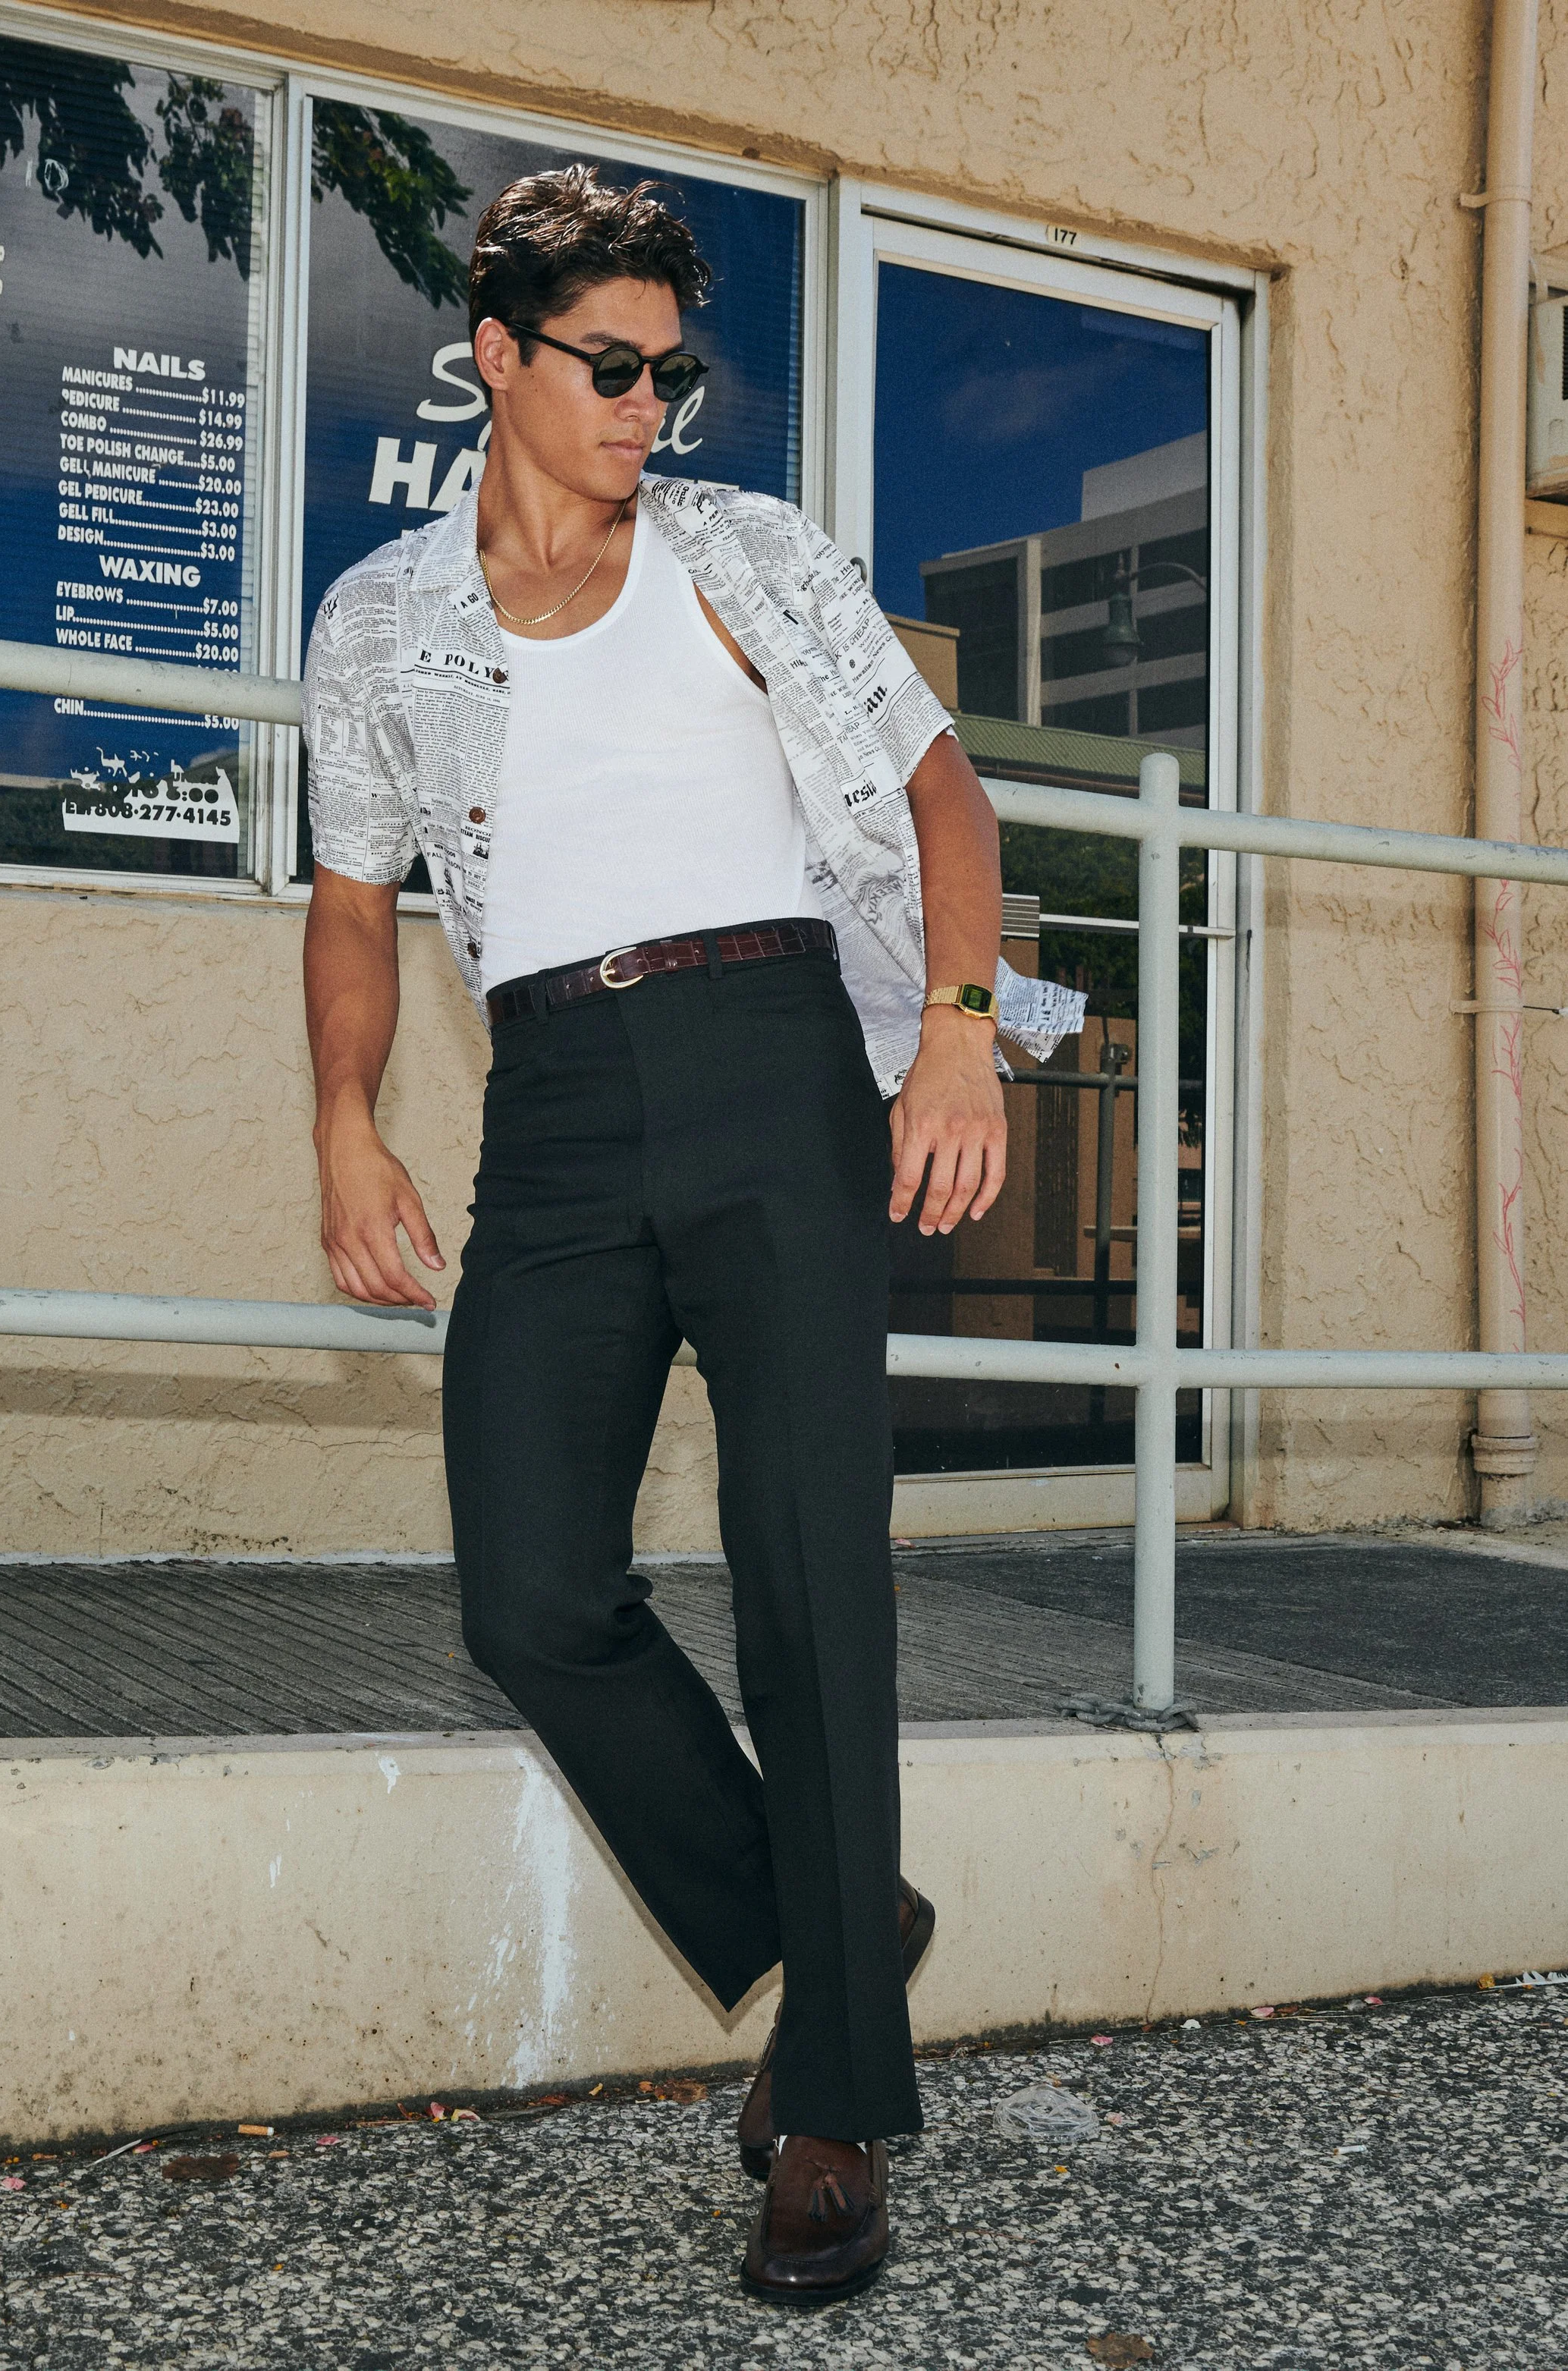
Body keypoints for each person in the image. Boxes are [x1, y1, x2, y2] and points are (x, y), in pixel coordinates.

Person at [303, 165, 1062, 2304]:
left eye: (672, 370)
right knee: (529, 1591)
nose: (650, 406)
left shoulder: (746, 558)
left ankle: (833, 2103)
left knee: (812, 1570)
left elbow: (944, 794)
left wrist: (950, 1038)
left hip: (769, 1065)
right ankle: (826, 1931)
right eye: (610, 366)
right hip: (549, 1099)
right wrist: (348, 1126)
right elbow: (353, 898)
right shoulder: (378, 620)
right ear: (495, 359)